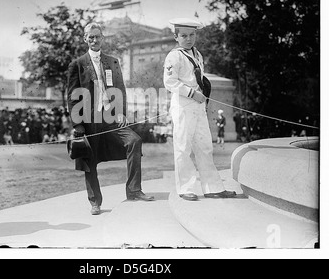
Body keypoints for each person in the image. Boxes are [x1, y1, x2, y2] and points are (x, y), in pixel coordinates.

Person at [67, 22, 154, 215]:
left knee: (134, 141)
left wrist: (122, 112)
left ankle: (134, 190)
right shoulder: (77, 64)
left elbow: (121, 89)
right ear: (85, 39)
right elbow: (72, 96)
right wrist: (78, 124)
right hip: (90, 120)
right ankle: (94, 202)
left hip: (112, 117)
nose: (95, 40)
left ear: (102, 38)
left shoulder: (112, 61)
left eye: (98, 36)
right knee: (89, 159)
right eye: (91, 37)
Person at [163, 18, 236, 201]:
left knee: (205, 146)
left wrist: (202, 93)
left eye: (192, 35)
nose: (189, 39)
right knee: (183, 147)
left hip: (199, 106)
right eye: (184, 36)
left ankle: (213, 187)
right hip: (183, 105)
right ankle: (185, 188)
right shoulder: (174, 56)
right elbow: (169, 82)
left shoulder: (197, 54)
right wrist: (191, 93)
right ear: (176, 37)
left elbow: (198, 78)